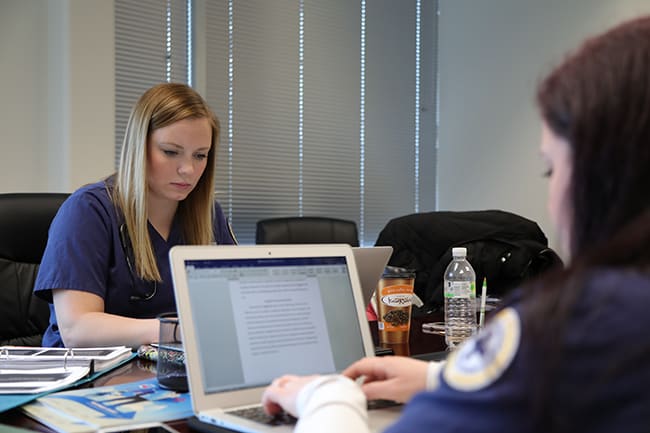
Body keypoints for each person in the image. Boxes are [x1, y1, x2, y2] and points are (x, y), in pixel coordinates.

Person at [261, 15, 650, 433]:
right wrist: (440, 380)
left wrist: (326, 395)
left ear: (603, 175)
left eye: (551, 169)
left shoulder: (571, 326)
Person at [34, 83, 236, 348]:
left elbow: (233, 304)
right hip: (91, 374)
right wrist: (178, 330)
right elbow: (77, 328)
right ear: (139, 147)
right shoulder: (89, 210)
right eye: (171, 152)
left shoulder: (208, 215)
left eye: (200, 155)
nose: (188, 169)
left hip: (168, 368)